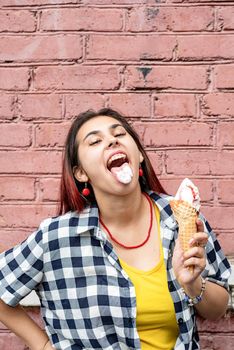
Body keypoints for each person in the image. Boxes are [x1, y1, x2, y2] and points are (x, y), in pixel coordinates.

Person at [0, 108, 231, 350]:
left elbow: (218, 309)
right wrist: (45, 346)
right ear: (80, 173)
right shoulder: (57, 237)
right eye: (95, 141)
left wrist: (193, 284)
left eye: (119, 134)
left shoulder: (181, 218)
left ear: (139, 155)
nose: (112, 140)